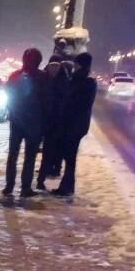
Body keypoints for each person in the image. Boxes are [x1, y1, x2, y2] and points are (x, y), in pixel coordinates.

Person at [3, 47, 48, 198]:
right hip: (34, 123)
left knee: (13, 154)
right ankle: (25, 187)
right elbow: (47, 101)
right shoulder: (43, 77)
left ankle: (9, 186)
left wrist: (13, 112)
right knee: (29, 157)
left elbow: (8, 96)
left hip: (17, 121)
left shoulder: (15, 76)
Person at [53, 52, 97, 197]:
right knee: (69, 156)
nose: (75, 66)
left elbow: (74, 102)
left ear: (81, 65)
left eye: (77, 64)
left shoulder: (83, 81)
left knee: (69, 156)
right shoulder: (85, 81)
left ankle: (67, 187)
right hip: (77, 124)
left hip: (73, 124)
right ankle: (67, 185)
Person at [38, 56, 71, 190]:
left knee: (50, 151)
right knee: (48, 151)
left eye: (56, 66)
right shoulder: (59, 79)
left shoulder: (50, 78)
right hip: (50, 122)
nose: (53, 68)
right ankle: (42, 177)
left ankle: (44, 176)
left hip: (53, 122)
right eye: (52, 65)